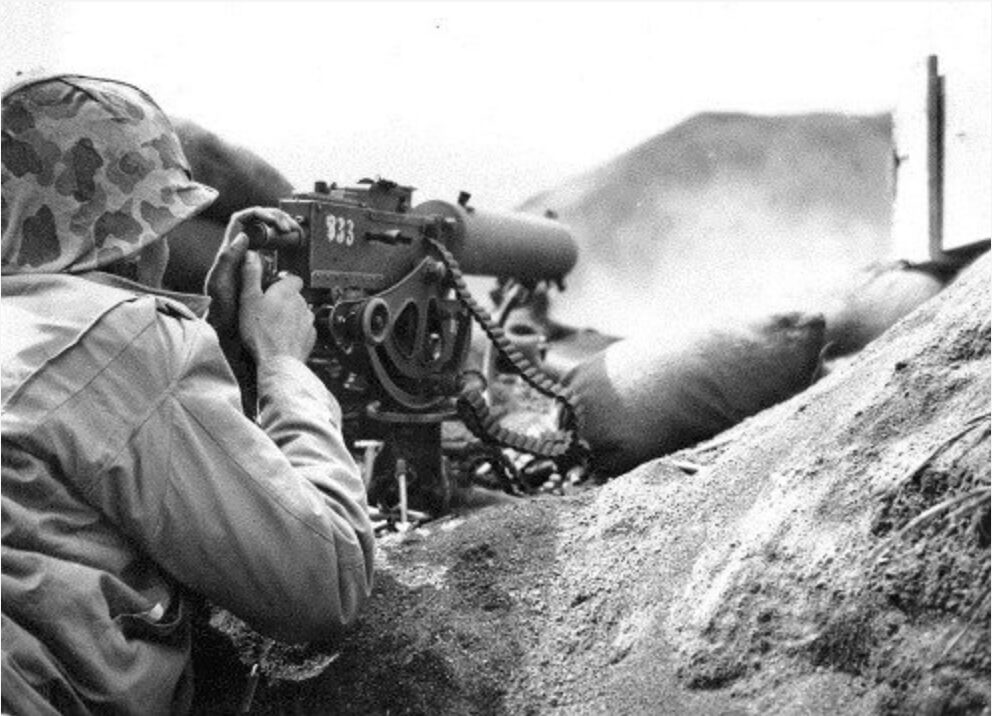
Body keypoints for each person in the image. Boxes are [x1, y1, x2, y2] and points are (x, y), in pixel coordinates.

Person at [1, 73, 375, 715]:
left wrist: (217, 345)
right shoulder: (126, 343)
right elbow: (325, 582)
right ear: (140, 234)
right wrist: (285, 366)